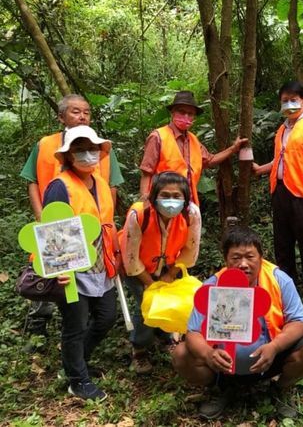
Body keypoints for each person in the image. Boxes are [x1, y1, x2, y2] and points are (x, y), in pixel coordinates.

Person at [172, 227, 303, 419]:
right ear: (225, 260)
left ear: (261, 257)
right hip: (221, 364)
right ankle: (220, 388)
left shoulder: (278, 279)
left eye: (250, 256)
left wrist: (274, 347)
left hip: (270, 359)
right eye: (235, 258)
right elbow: (193, 332)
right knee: (181, 354)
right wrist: (209, 354)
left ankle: (279, 389)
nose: (243, 264)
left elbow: (299, 321)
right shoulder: (212, 286)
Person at [19, 94, 124, 341]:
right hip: (56, 229)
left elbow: (112, 187)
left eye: (86, 112)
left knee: (83, 298)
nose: (82, 116)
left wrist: (104, 220)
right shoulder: (46, 144)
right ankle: (38, 332)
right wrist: (43, 217)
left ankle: (77, 342)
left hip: (92, 232)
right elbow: (32, 182)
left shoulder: (99, 145)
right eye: (75, 111)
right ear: (61, 116)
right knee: (52, 279)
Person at [43, 125, 120, 401]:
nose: (87, 154)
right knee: (75, 324)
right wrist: (58, 272)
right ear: (68, 156)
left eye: (91, 149)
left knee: (106, 317)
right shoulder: (59, 187)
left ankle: (76, 362)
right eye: (79, 149)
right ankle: (77, 379)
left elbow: (107, 220)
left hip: (103, 262)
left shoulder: (99, 182)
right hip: (72, 267)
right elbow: (52, 231)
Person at [253, 81, 303, 314]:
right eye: (285, 100)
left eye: (294, 99)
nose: (289, 104)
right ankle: (288, 289)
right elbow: (282, 159)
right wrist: (260, 169)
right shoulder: (283, 129)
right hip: (281, 192)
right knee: (282, 244)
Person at [121, 171, 201, 374]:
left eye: (177, 196)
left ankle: (166, 337)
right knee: (147, 307)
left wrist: (169, 275)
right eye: (165, 195)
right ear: (154, 196)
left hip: (169, 267)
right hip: (139, 269)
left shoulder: (191, 214)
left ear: (185, 198)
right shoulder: (139, 214)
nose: (171, 201)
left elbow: (190, 249)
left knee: (172, 304)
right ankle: (139, 349)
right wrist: (151, 284)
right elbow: (130, 256)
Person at [139, 91, 248, 206]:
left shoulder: (193, 140)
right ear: (173, 112)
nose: (186, 117)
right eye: (182, 112)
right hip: (161, 203)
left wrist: (234, 148)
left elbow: (210, 160)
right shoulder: (158, 136)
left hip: (188, 203)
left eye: (190, 114)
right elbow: (147, 172)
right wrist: (145, 201)